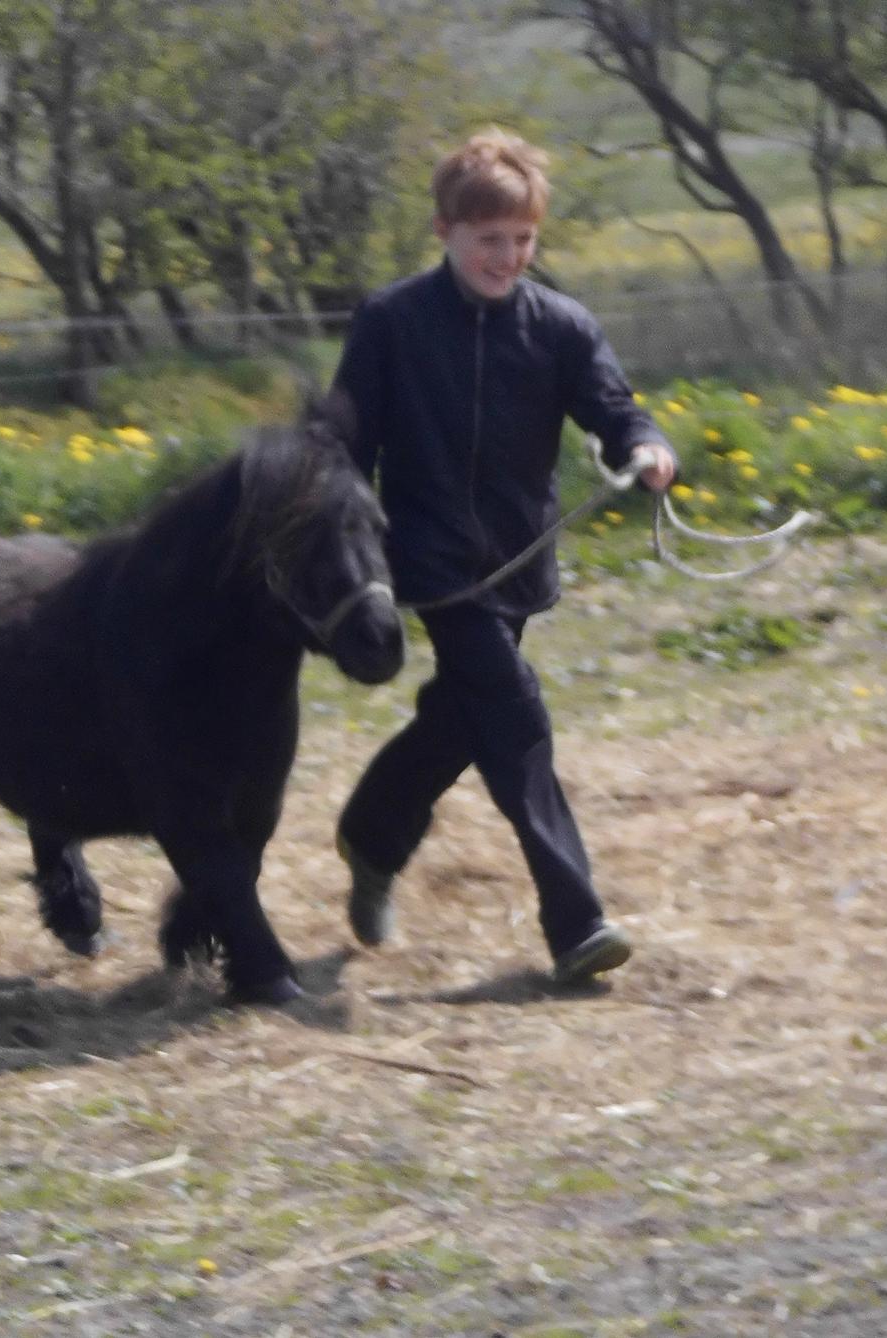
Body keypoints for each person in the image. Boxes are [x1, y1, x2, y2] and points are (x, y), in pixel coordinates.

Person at [331, 128, 677, 985]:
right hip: (431, 561)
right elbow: (344, 444)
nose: (509, 256)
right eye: (491, 240)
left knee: (464, 715)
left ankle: (372, 836)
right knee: (516, 716)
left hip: (520, 565)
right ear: (445, 229)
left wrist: (647, 448)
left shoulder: (561, 326)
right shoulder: (390, 323)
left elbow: (614, 408)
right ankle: (576, 921)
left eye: (523, 240)